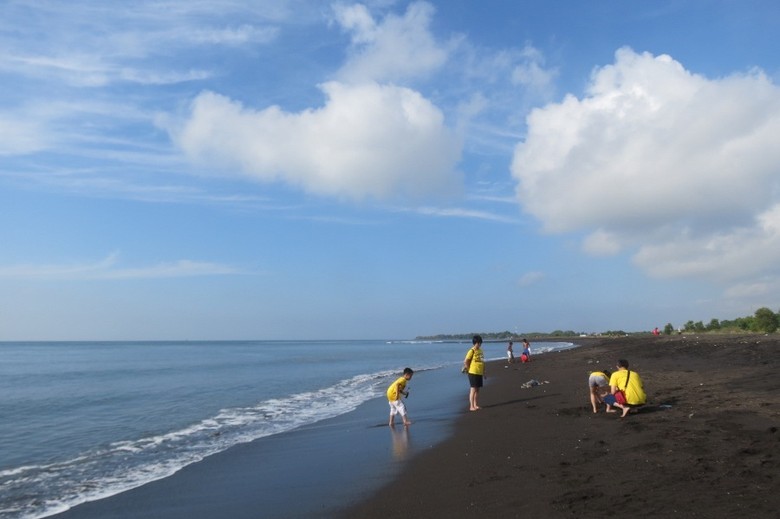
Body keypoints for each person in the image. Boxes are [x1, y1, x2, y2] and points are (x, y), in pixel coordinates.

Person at [463, 335, 485, 411]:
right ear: (474, 343)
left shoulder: (481, 351)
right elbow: (465, 361)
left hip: (479, 372)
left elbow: (482, 362)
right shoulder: (471, 351)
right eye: (478, 343)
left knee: (477, 390)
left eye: (480, 343)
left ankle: (475, 405)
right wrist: (468, 369)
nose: (479, 345)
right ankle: (471, 406)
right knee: (473, 389)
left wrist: (484, 372)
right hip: (472, 372)